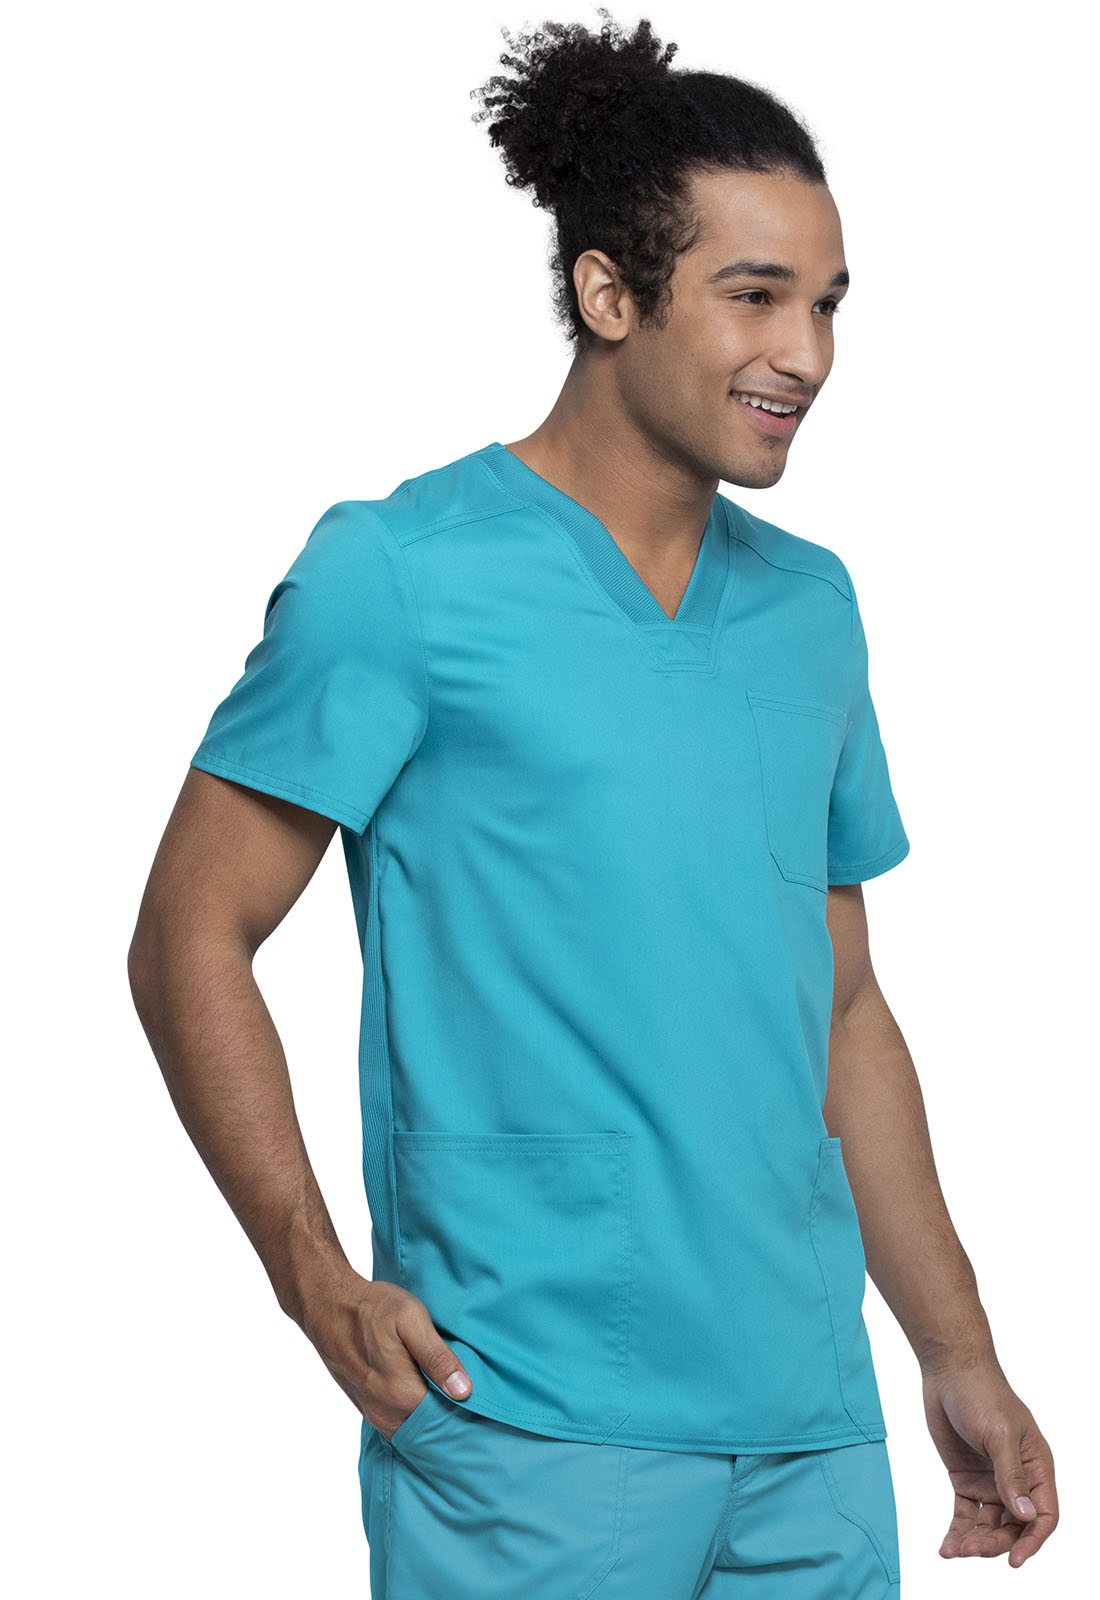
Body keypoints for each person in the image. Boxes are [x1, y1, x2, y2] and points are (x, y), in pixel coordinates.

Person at [128, 10, 1058, 1595]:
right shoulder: (401, 576)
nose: (806, 354)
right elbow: (188, 935)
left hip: (813, 1442)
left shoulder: (813, 611)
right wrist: (310, 1275)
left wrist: (958, 1354)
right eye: (753, 296)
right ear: (609, 293)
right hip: (527, 1423)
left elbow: (843, 1010)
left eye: (827, 303)